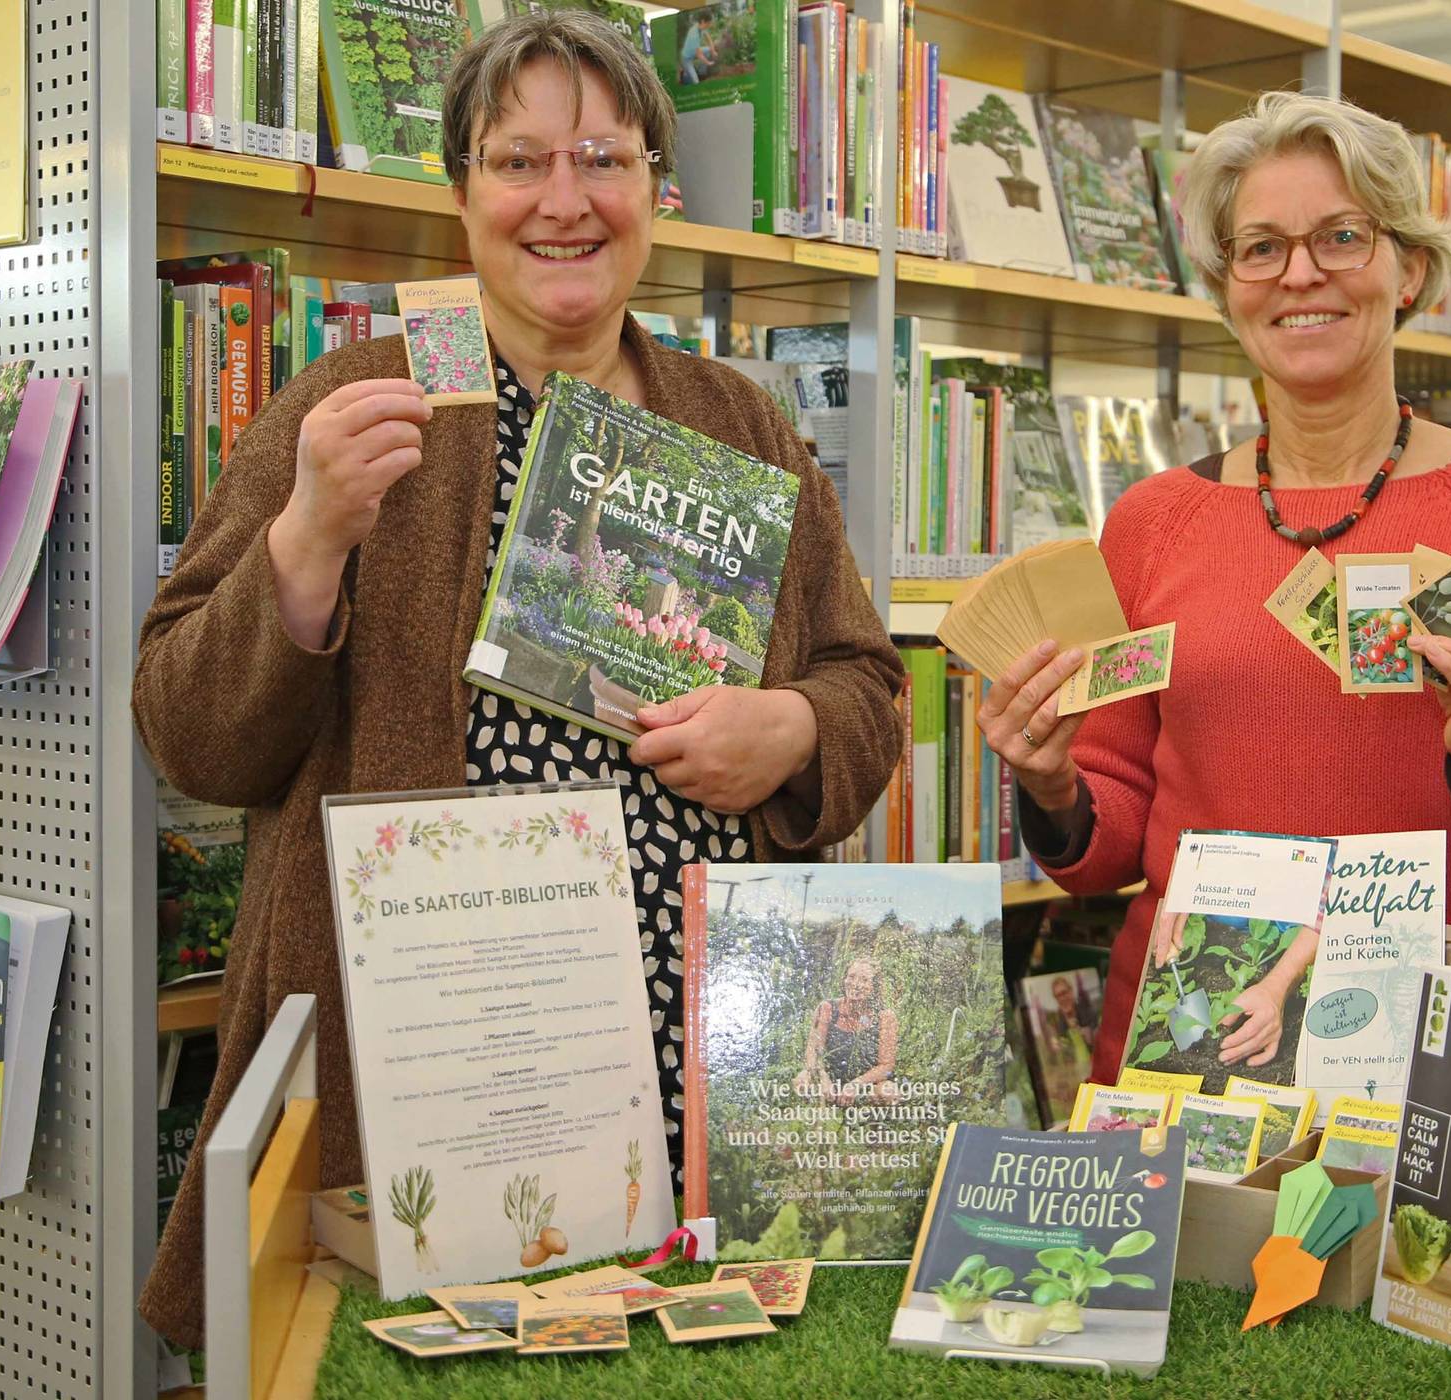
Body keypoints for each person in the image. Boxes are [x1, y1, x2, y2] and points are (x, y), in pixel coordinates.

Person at [135, 11, 903, 1348]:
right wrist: (304, 543)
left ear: (656, 186)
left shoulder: (739, 422)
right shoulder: (355, 402)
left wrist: (787, 729)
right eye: (517, 161)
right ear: (461, 193)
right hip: (423, 1072)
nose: (564, 201)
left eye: (602, 158)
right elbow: (187, 737)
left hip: (692, 1068)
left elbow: (869, 688)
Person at [977, 91, 1451, 1082]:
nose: (1300, 273)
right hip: (1201, 1045)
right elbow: (1110, 836)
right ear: (1225, 285)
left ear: (1409, 267)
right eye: (1259, 247)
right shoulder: (1154, 522)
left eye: (1341, 236)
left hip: (1446, 1052)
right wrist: (1051, 783)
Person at [794, 955, 899, 1104]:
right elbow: (813, 1052)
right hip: (829, 1079)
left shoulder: (885, 1017)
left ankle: (867, 1124)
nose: (856, 984)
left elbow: (886, 1066)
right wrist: (822, 1077)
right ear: (844, 980)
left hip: (865, 1083)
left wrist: (856, 1084)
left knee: (889, 1091)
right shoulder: (827, 1008)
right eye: (851, 977)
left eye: (864, 980)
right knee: (802, 1080)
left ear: (874, 986)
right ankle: (813, 1120)